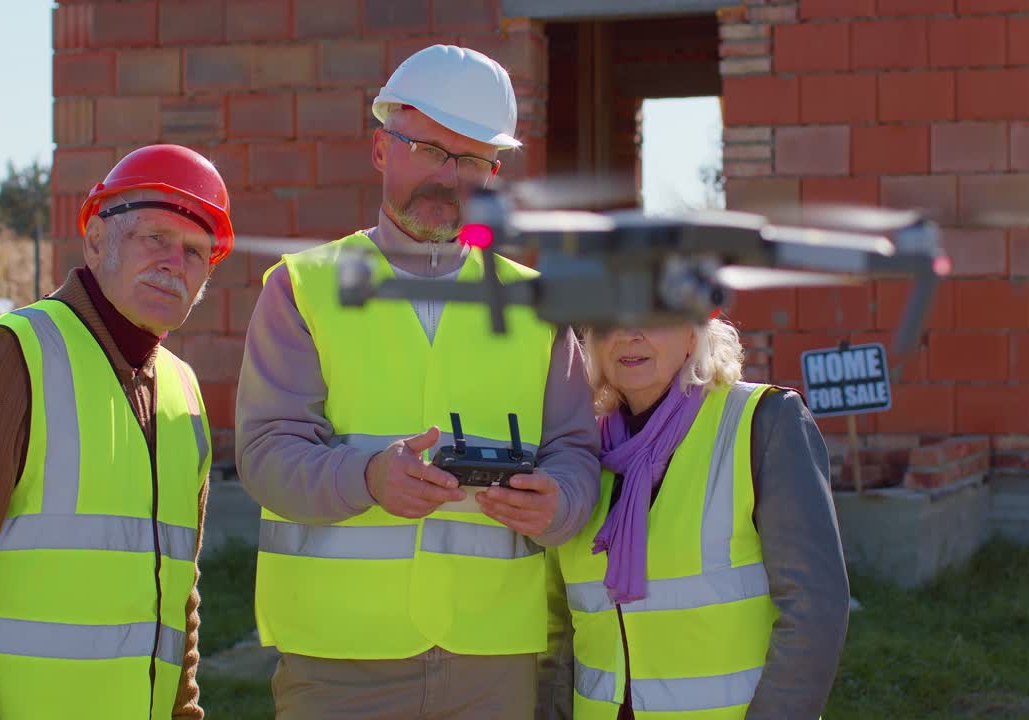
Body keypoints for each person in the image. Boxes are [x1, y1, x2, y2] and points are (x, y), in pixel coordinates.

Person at [235, 44, 601, 719]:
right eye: (430, 150)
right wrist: (369, 477)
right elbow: (265, 455)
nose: (449, 178)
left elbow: (576, 452)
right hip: (339, 660)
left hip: (493, 658)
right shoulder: (303, 289)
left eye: (472, 161)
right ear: (382, 149)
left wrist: (561, 502)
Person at [0, 144, 234, 720]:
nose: (173, 263)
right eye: (155, 237)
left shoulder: (183, 391)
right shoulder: (15, 356)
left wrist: (184, 711)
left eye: (194, 251)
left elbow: (179, 592)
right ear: (96, 240)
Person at [538, 320, 851, 720]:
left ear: (694, 330)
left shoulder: (763, 421)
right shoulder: (577, 457)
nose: (629, 333)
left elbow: (813, 608)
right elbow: (558, 632)